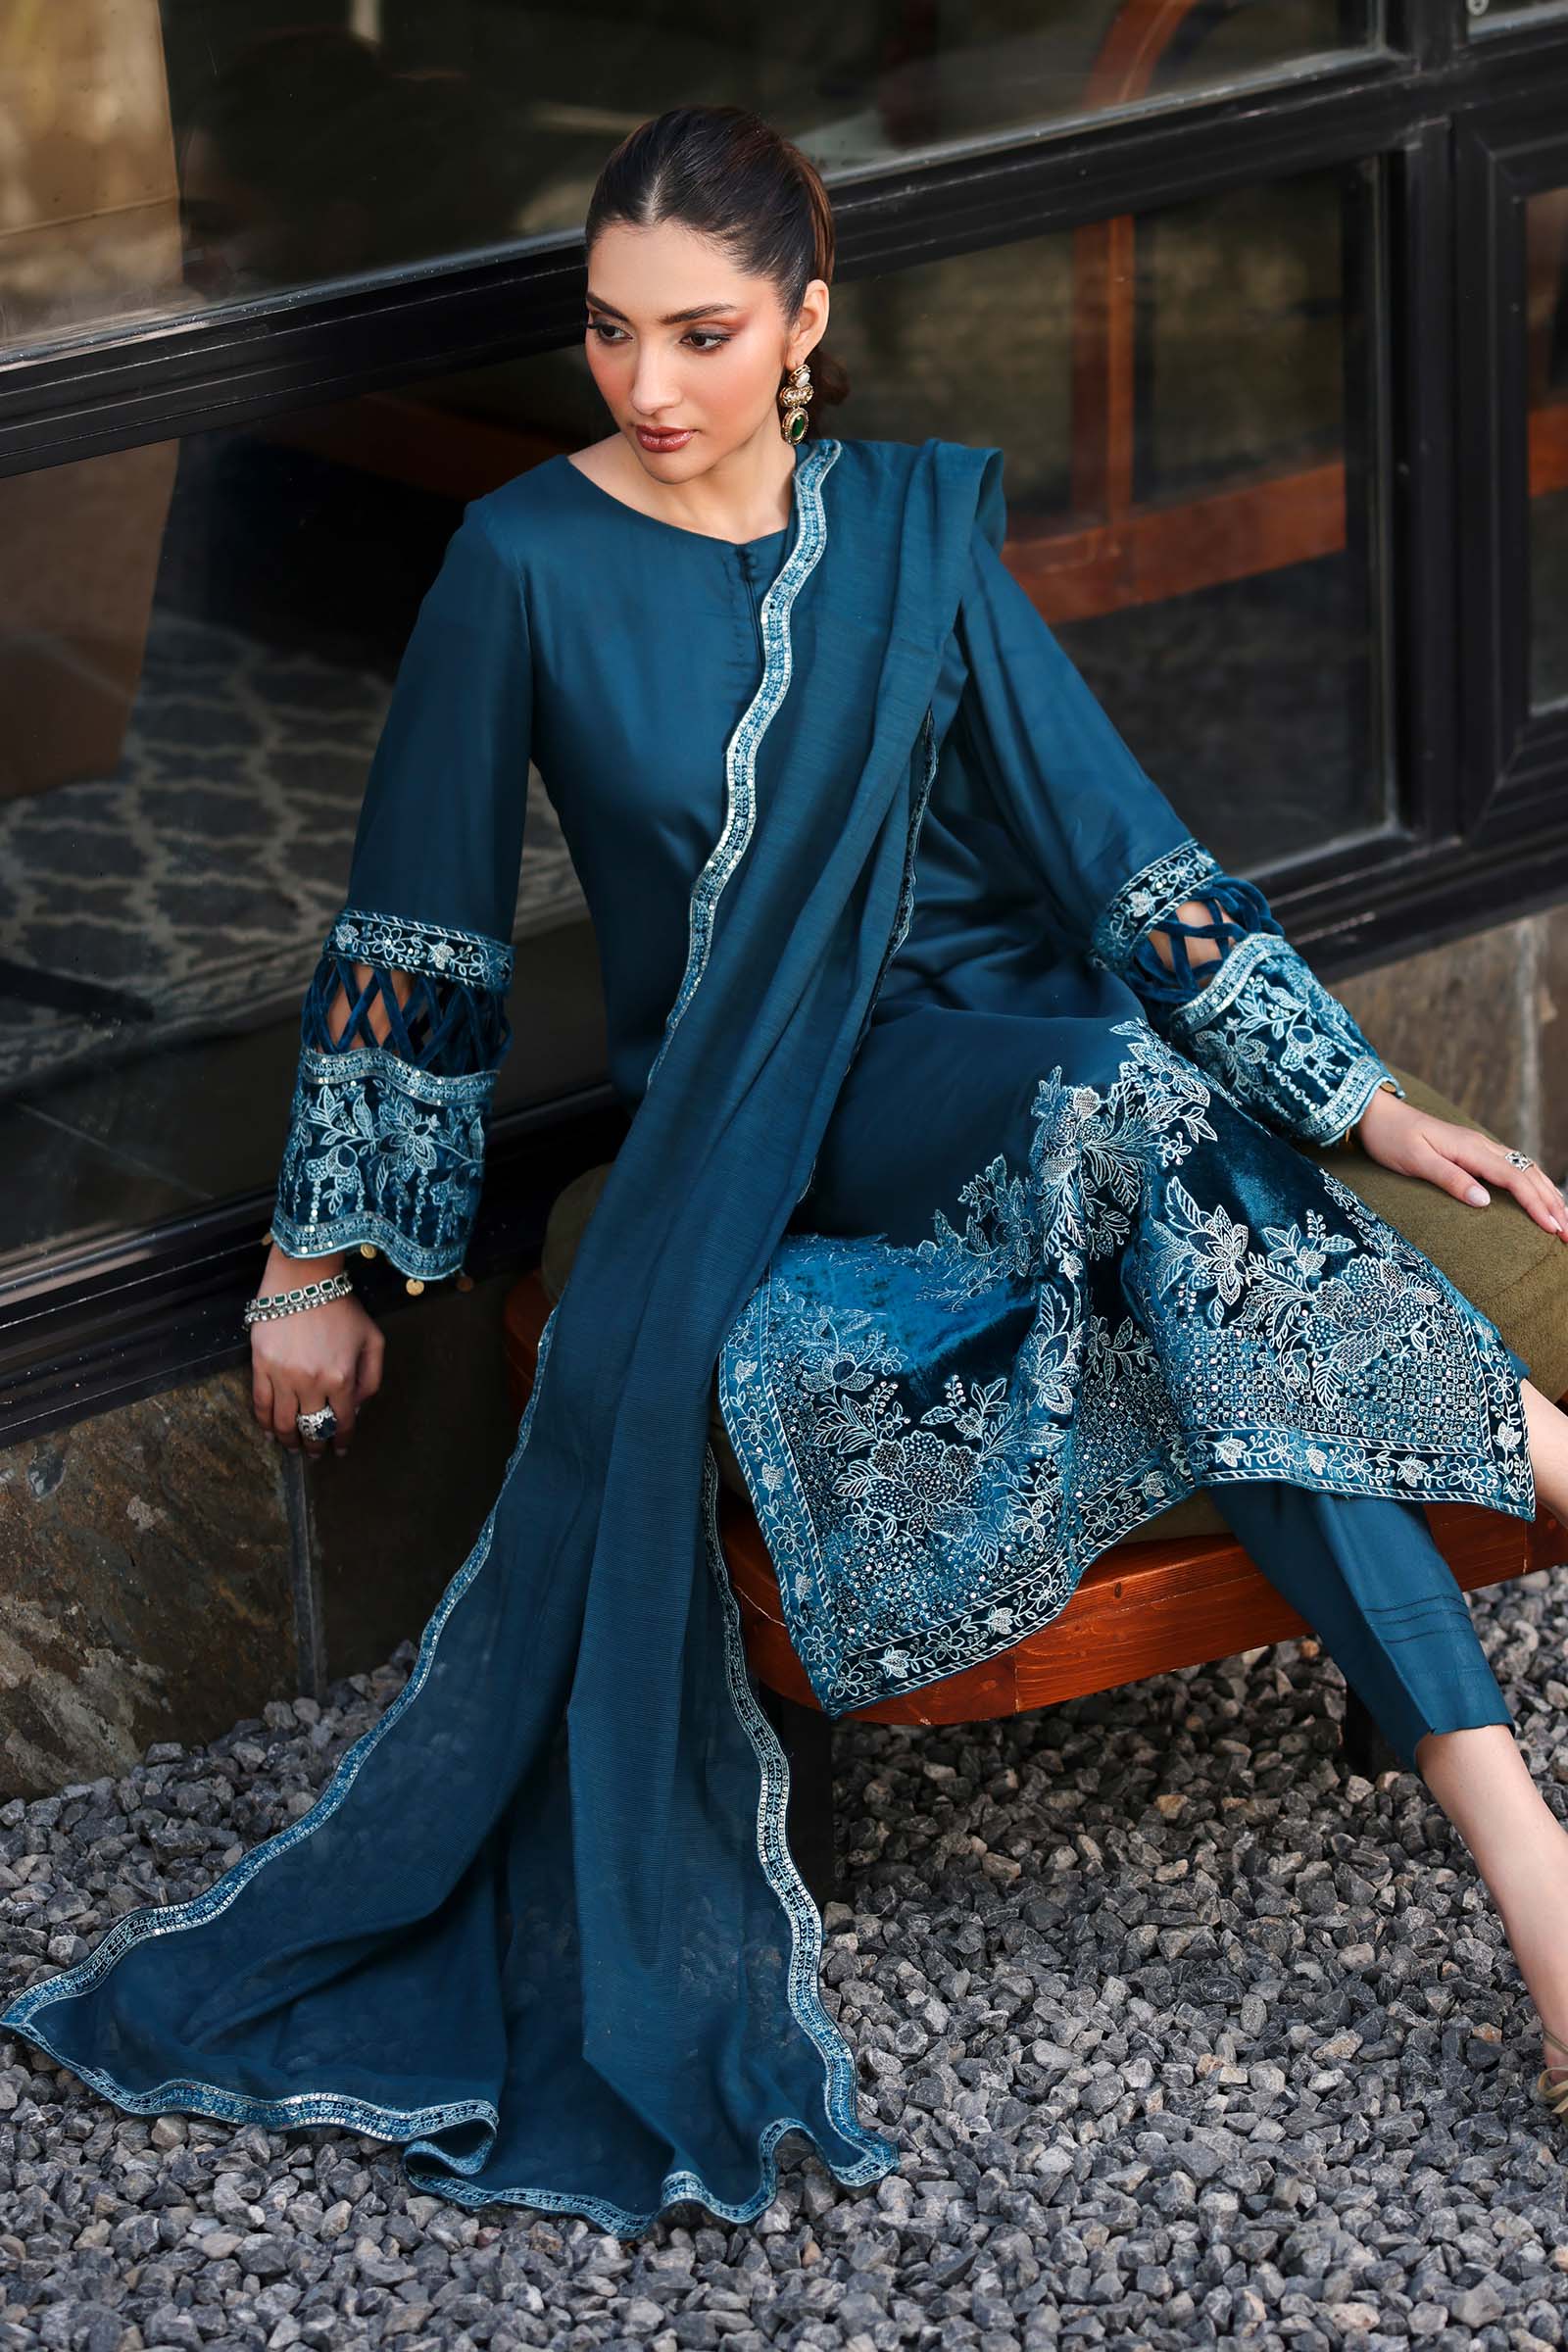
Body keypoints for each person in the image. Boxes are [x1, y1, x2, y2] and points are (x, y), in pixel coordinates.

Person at [7, 103, 1568, 2234]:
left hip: (1015, 1038)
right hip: (781, 1106)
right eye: (609, 331)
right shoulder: (522, 564)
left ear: (806, 323)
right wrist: (314, 1262)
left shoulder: (908, 532)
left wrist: (1361, 1100)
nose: (647, 385)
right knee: (1132, 1116)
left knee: (1157, 1173)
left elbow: (1113, 844)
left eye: (702, 333)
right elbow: (418, 936)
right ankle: (1532, 1494)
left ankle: (1527, 1866)